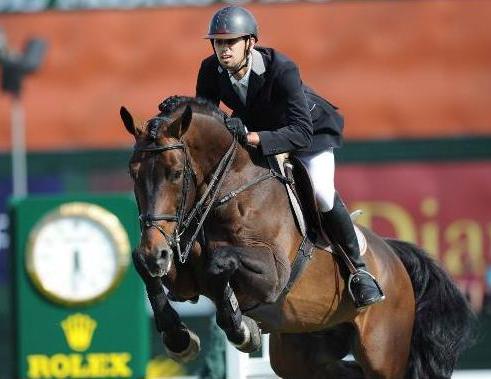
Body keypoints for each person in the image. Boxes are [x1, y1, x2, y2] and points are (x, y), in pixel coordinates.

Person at [196, 6, 384, 309]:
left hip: (308, 133)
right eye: (218, 43)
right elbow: (207, 120)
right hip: (261, 130)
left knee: (321, 193)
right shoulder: (210, 70)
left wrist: (250, 136)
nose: (224, 49)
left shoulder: (282, 69)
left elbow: (300, 133)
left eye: (231, 42)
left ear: (250, 42)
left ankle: (358, 270)